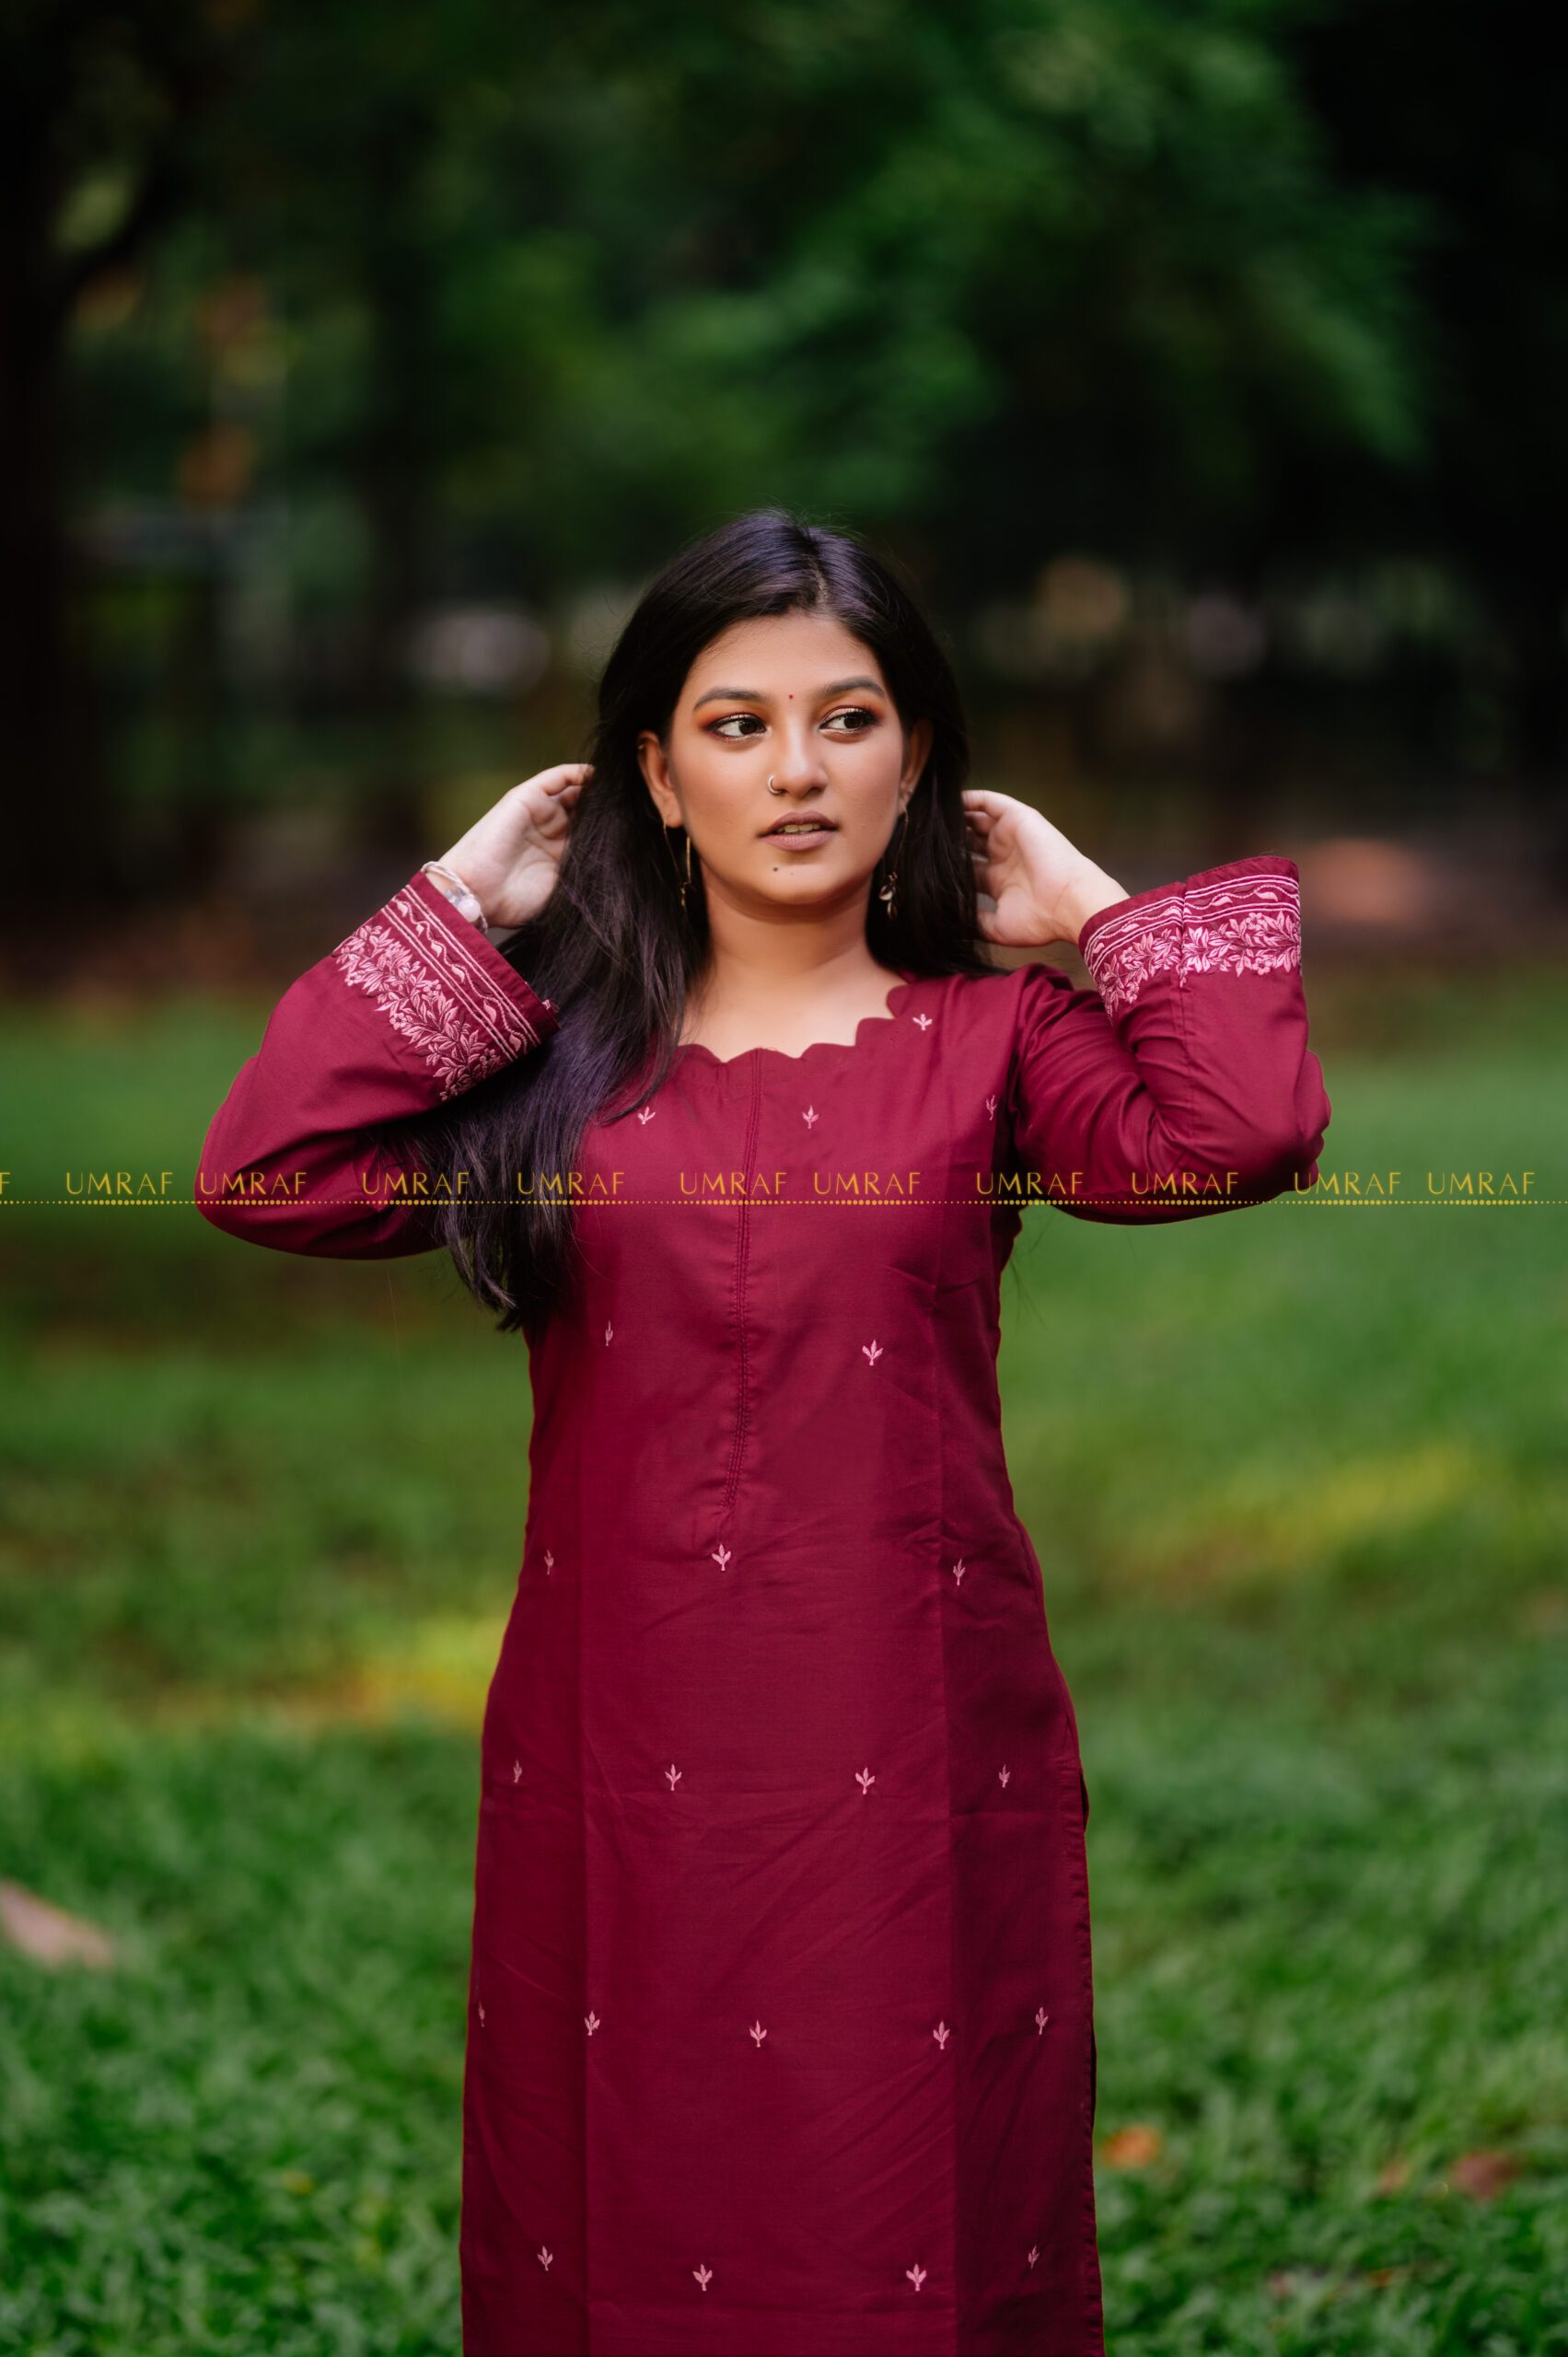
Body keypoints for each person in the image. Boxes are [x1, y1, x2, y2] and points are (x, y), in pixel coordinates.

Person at [198, 510, 1330, 2357]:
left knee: (907, 2179)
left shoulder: (998, 1048)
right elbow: (268, 1172)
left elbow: (1243, 1129)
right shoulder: (558, 1065)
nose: (797, 768)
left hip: (907, 1724)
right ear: (655, 772)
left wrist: (1089, 909)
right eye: (737, 725)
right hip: (614, 1732)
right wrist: (461, 904)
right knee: (618, 2169)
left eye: (847, 718)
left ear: (917, 756)